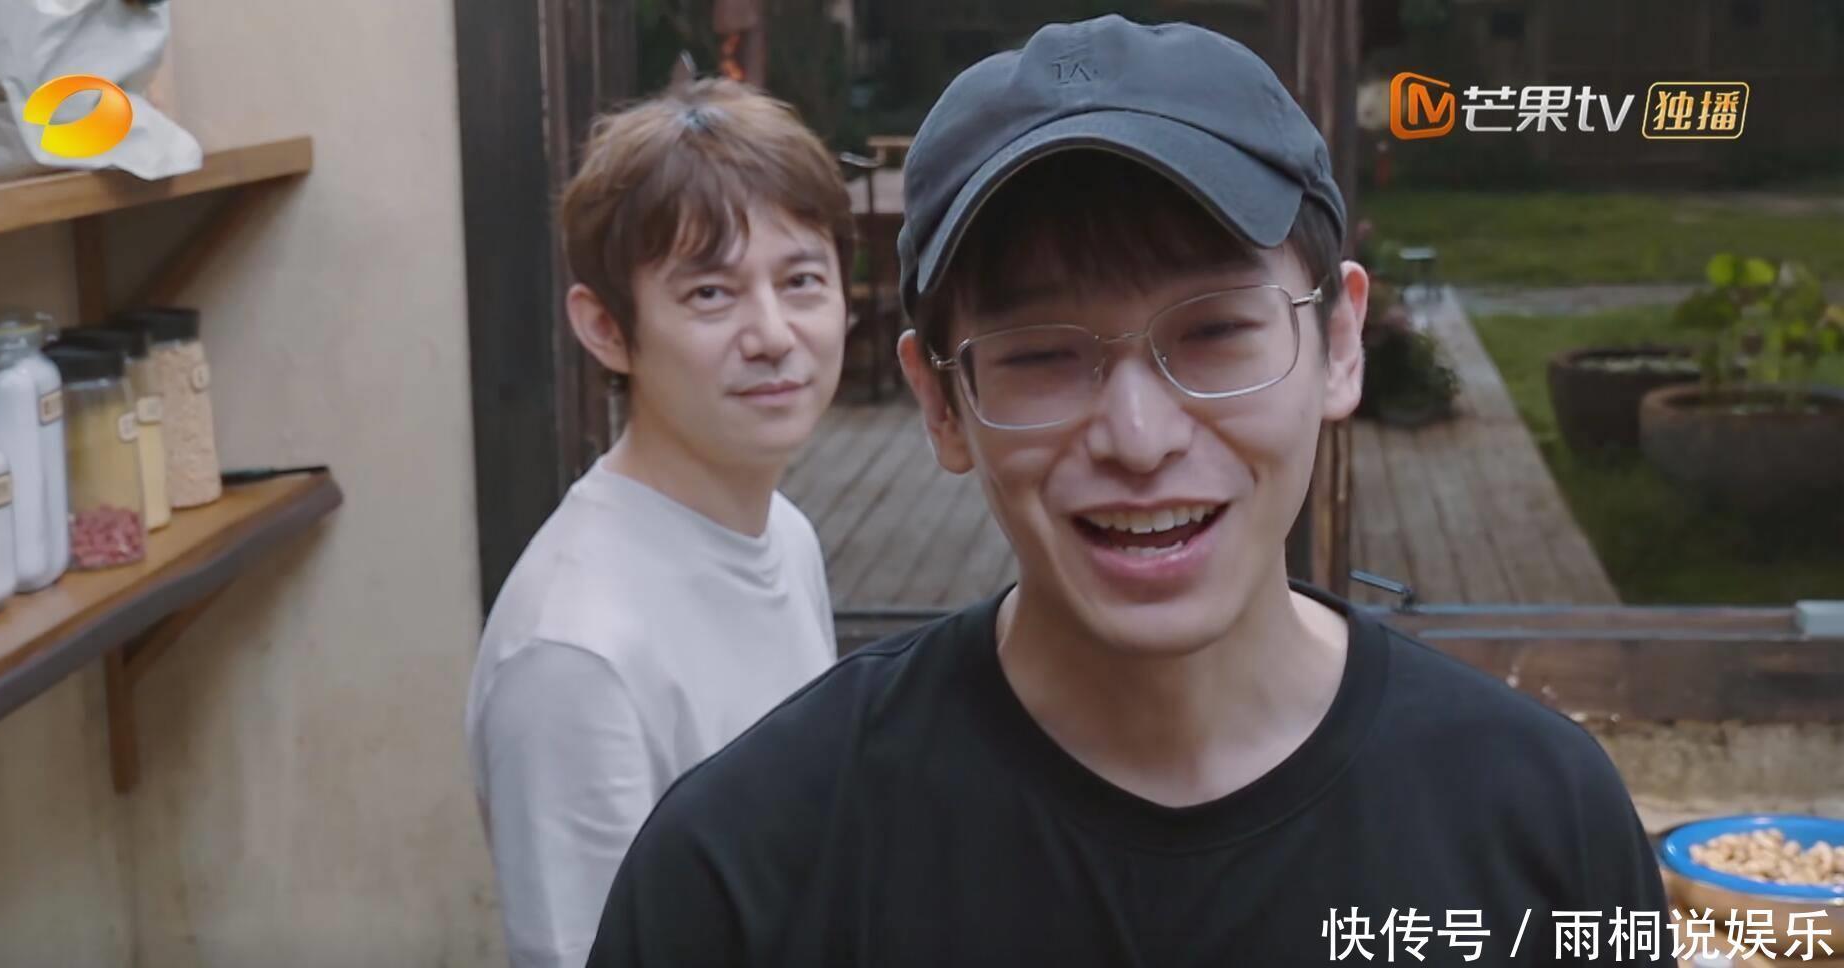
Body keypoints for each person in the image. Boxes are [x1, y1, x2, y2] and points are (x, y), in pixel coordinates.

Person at [584, 17, 1668, 967]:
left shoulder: (1539, 821)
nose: (1140, 440)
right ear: (941, 402)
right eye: (1042, 355)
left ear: (1340, 343)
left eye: (1215, 332)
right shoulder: (748, 868)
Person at [465, 77, 852, 968]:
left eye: (801, 281)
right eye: (711, 294)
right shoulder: (575, 654)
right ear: (606, 328)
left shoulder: (783, 533)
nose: (772, 333)